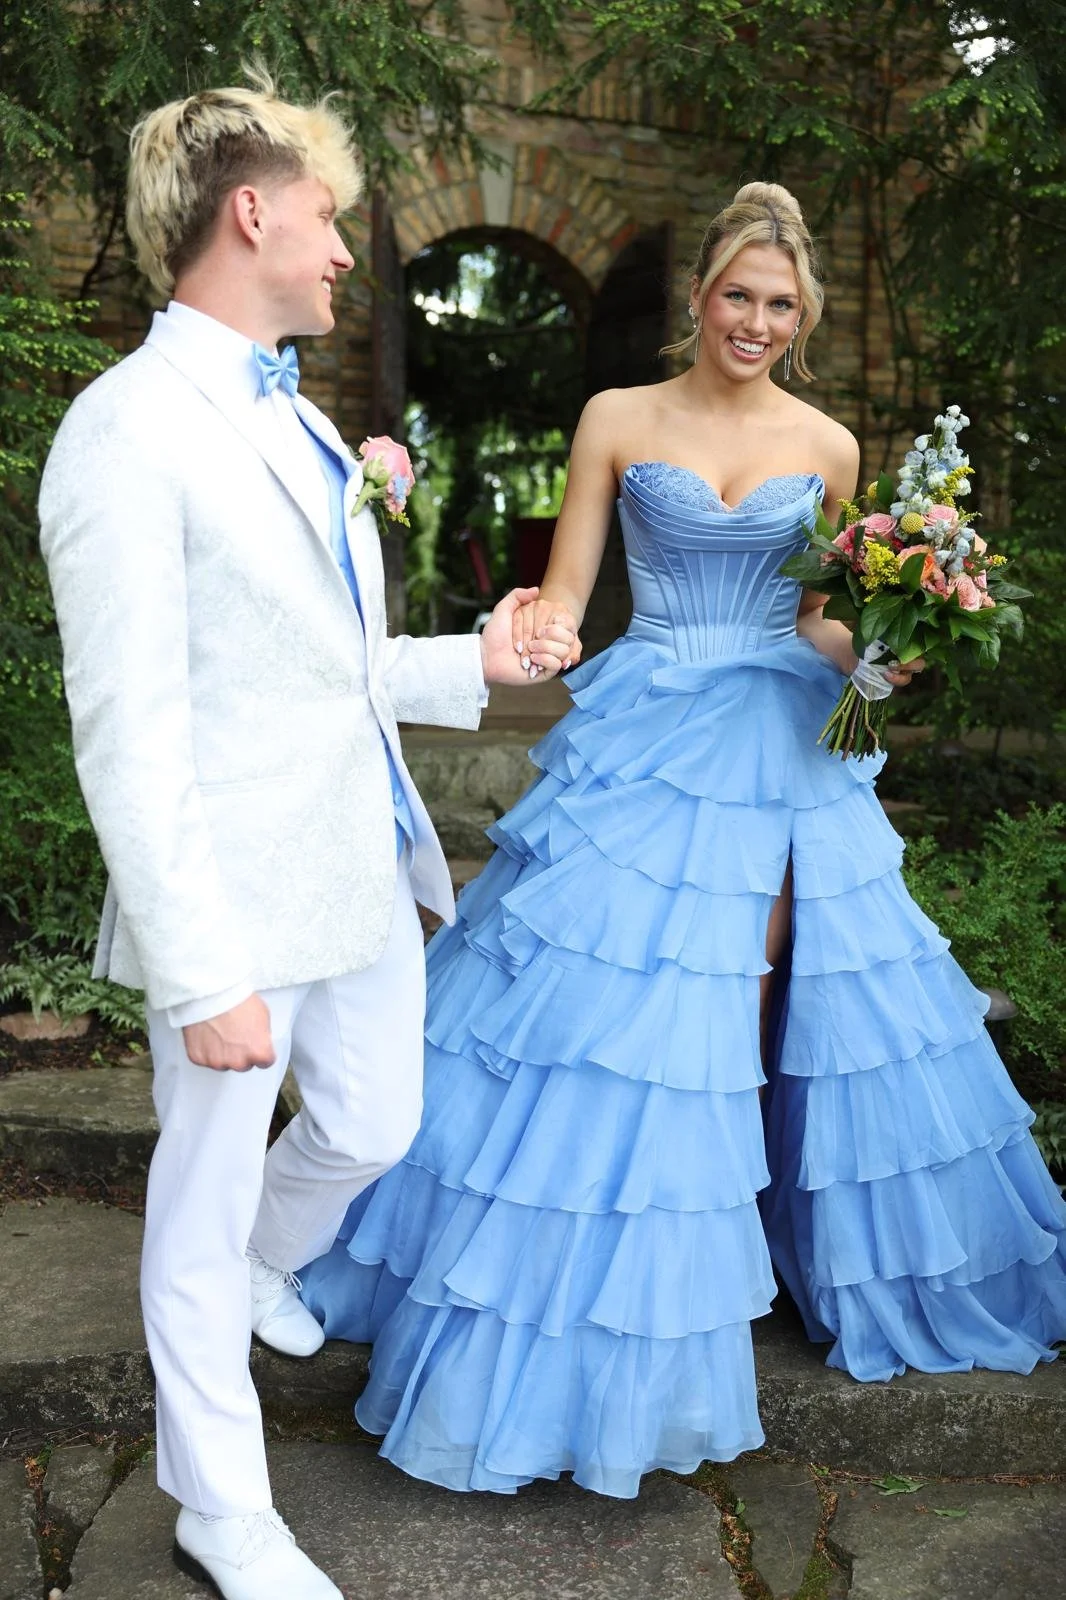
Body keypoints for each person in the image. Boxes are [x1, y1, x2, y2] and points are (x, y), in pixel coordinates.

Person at [299, 180, 1066, 1497]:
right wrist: (534, 630)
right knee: (619, 1005)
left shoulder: (826, 447)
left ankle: (777, 1244)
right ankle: (605, 1282)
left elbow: (824, 619)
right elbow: (571, 595)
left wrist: (881, 651)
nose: (754, 321)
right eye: (736, 296)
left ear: (801, 316)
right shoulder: (616, 419)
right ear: (699, 298)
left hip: (776, 726)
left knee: (784, 981)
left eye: (779, 305)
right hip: (650, 718)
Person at [37, 76, 575, 1599]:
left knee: (375, 1127)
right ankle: (220, 1507)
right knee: (199, 1213)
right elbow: (128, 736)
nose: (345, 250)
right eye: (327, 215)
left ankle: (270, 1264)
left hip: (357, 869)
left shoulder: (310, 428)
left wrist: (479, 660)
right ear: (250, 211)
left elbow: (332, 679)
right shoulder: (126, 431)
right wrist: (204, 977)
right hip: (230, 900)